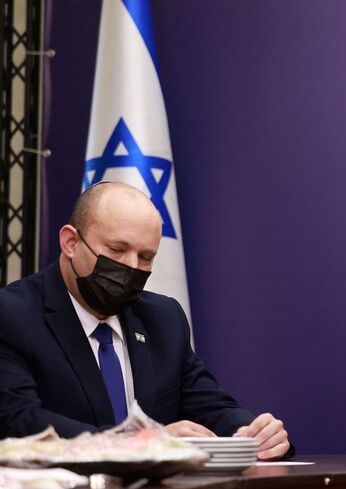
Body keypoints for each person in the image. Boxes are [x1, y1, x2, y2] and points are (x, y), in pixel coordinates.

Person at [0, 182, 291, 460]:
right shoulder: (12, 315)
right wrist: (142, 443)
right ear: (71, 242)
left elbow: (210, 407)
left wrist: (253, 432)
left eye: (146, 256)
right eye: (116, 249)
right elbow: (20, 423)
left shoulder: (163, 319)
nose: (131, 266)